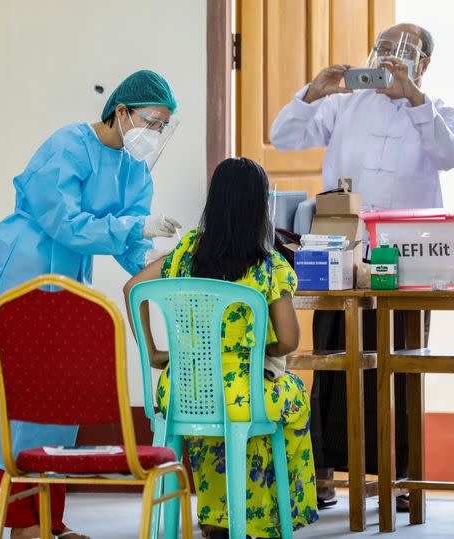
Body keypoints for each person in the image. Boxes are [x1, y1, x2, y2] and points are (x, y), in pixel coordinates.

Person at [0, 70, 181, 539]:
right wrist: (135, 230)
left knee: (54, 392)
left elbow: (129, 237)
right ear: (122, 111)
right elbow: (65, 222)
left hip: (68, 275)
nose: (153, 135)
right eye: (150, 121)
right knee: (5, 391)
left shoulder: (134, 168)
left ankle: (46, 519)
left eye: (163, 127)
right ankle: (13, 518)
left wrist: (157, 262)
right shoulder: (68, 145)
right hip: (24, 266)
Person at [269, 22, 454, 509]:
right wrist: (312, 93)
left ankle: (398, 478)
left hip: (409, 261)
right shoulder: (342, 103)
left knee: (399, 368)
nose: (389, 56)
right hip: (340, 252)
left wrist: (414, 98)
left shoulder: (436, 109)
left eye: (404, 51)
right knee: (333, 366)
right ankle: (322, 474)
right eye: (382, 47)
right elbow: (281, 136)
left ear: (423, 64)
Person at [124, 157, 318, 539]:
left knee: (220, 420)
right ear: (260, 206)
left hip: (184, 390)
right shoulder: (269, 266)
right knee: (286, 397)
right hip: (243, 392)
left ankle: (216, 518)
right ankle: (266, 520)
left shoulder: (186, 252)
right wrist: (257, 353)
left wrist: (153, 354)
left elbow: (133, 288)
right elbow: (291, 341)